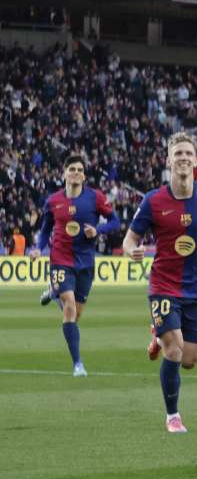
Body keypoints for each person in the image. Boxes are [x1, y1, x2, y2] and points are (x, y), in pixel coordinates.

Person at [123, 132, 197, 433]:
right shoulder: (153, 201)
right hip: (163, 286)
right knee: (175, 350)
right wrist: (133, 251)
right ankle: (173, 416)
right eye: (178, 153)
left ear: (196, 161)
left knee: (191, 359)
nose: (183, 158)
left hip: (196, 287)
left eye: (188, 153)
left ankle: (158, 334)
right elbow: (129, 239)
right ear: (168, 160)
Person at [31, 154, 118, 376]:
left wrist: (97, 230)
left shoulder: (95, 198)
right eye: (72, 168)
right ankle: (78, 364)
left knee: (75, 315)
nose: (76, 172)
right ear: (64, 173)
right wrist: (39, 249)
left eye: (80, 169)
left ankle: (54, 293)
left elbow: (115, 222)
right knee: (68, 307)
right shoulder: (53, 201)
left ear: (84, 175)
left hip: (85, 262)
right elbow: (45, 230)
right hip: (60, 259)